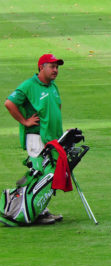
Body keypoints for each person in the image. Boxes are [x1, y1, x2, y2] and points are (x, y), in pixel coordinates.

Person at [4, 54, 65, 224]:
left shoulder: (53, 86)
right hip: (36, 137)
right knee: (39, 173)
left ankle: (39, 210)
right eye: (52, 67)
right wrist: (24, 121)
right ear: (41, 67)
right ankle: (34, 211)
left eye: (57, 67)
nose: (55, 70)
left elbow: (56, 109)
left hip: (51, 138)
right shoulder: (29, 85)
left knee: (48, 174)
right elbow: (9, 103)